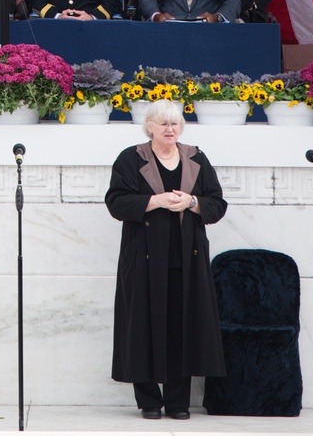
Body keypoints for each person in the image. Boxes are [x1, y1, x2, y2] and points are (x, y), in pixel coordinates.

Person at [106, 101, 227, 418]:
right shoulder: (131, 159)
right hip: (144, 258)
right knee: (142, 327)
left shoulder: (196, 158)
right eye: (163, 123)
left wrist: (192, 201)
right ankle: (148, 401)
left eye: (175, 123)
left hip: (187, 258)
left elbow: (217, 204)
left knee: (181, 327)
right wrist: (155, 201)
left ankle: (177, 402)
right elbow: (116, 202)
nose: (170, 129)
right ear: (149, 127)